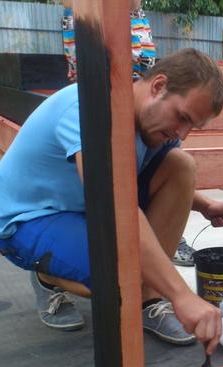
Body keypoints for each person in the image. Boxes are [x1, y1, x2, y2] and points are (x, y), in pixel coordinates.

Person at [0, 48, 223, 354]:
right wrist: (181, 295)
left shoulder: (157, 128)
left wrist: (204, 205)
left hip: (86, 208)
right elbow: (118, 205)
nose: (181, 133)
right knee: (120, 276)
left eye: (192, 126)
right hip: (30, 219)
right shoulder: (90, 110)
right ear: (158, 86)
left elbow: (126, 188)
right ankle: (46, 275)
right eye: (182, 117)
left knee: (180, 165)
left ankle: (147, 298)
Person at [62, 0, 197, 266]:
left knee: (162, 147)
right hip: (102, 52)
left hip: (134, 56)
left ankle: (159, 238)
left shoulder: (136, 17)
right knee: (112, 176)